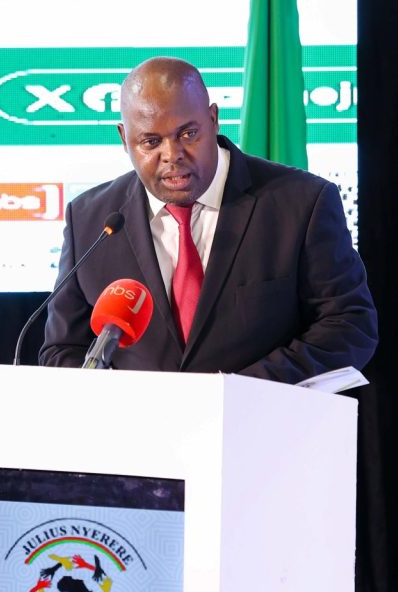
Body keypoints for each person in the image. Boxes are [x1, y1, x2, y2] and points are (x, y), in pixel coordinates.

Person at [39, 57, 377, 383]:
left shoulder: (302, 202)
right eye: (151, 141)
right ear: (124, 138)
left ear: (213, 119)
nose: (172, 154)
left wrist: (242, 391)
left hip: (266, 427)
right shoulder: (90, 219)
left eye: (188, 134)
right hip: (141, 433)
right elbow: (62, 348)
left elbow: (349, 325)